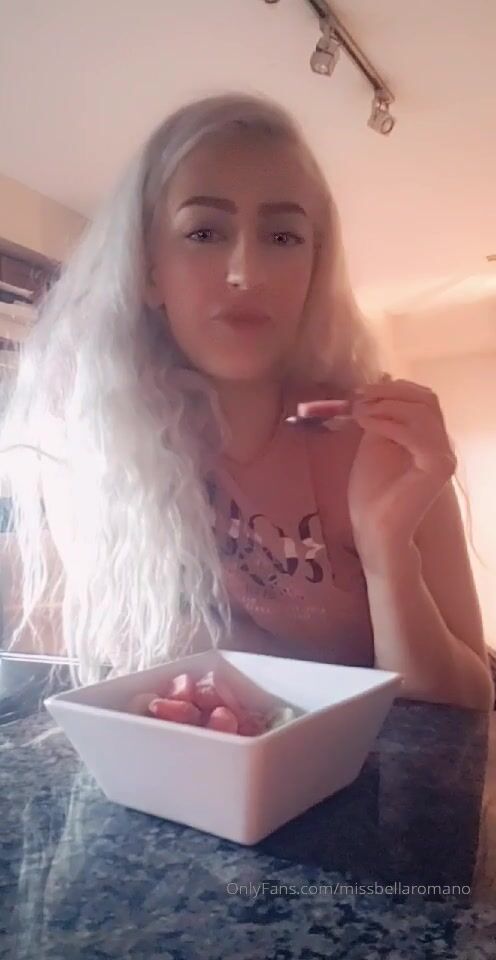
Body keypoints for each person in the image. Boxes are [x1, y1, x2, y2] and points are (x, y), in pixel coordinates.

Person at [0, 93, 493, 709]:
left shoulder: (386, 447)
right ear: (149, 270)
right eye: (205, 232)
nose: (246, 271)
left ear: (314, 268)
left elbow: (466, 706)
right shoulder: (111, 452)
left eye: (283, 236)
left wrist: (387, 552)